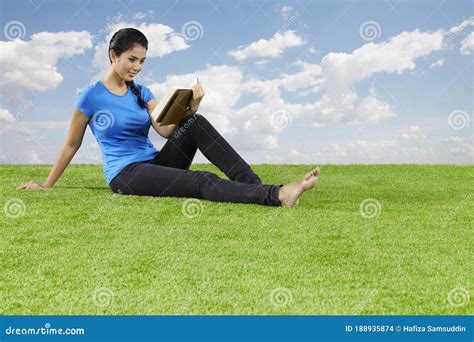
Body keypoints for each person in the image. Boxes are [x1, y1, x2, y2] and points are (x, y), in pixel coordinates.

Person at [17, 28, 320, 207]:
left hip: (155, 163)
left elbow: (164, 130)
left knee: (194, 123)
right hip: (126, 174)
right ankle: (277, 195)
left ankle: (253, 185)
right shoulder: (90, 96)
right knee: (200, 180)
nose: (136, 67)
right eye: (131, 59)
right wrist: (46, 185)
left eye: (142, 61)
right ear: (113, 55)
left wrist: (193, 106)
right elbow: (72, 144)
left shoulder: (142, 91)